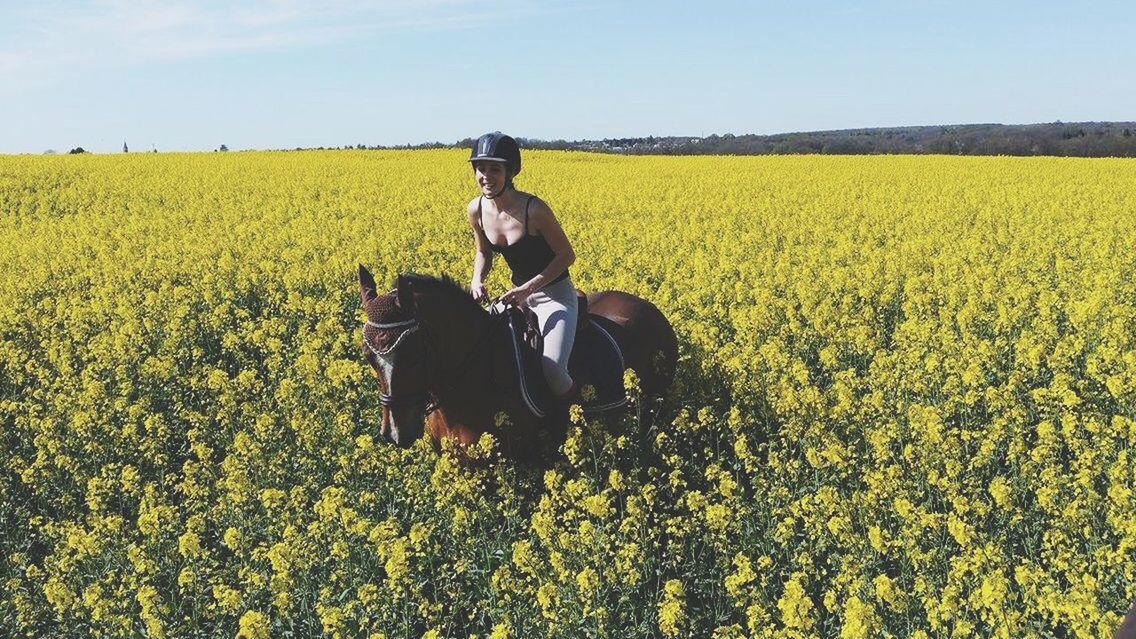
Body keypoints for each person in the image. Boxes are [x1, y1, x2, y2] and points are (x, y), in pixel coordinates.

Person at [466, 132, 579, 403]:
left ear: (510, 172)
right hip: (517, 298)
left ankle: (579, 417)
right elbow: (483, 252)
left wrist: (526, 289)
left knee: (552, 369)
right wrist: (476, 279)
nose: (486, 176)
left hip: (556, 298)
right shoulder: (476, 209)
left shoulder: (534, 210)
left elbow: (566, 256)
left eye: (495, 169)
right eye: (481, 168)